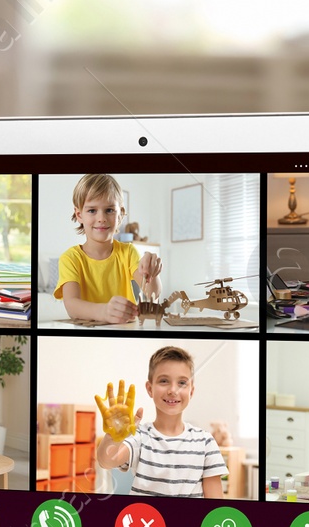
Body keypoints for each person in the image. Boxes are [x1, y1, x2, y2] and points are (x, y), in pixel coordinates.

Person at [94, 346, 226, 498]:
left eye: (182, 383)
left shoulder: (205, 442)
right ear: (150, 389)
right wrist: (112, 437)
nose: (173, 390)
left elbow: (216, 506)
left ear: (191, 391)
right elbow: (107, 461)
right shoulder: (140, 435)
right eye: (164, 381)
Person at [55, 172, 161, 324]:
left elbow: (153, 293)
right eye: (92, 210)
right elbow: (72, 306)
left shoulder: (128, 252)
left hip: (125, 329)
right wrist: (104, 312)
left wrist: (152, 272)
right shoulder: (70, 258)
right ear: (79, 215)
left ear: (120, 215)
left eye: (109, 210)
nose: (101, 218)